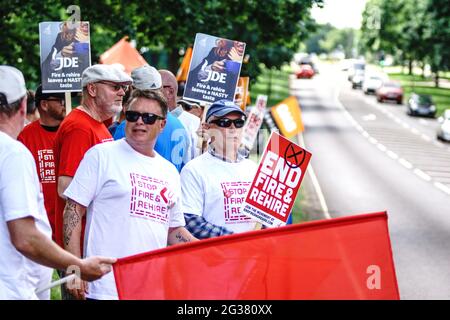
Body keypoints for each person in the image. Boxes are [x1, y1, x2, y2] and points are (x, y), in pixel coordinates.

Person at [63, 89, 197, 300]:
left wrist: (209, 252)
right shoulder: (101, 155)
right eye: (133, 115)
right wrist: (74, 266)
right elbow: (72, 210)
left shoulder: (170, 171)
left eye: (149, 117)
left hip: (150, 289)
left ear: (162, 125)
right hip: (104, 287)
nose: (139, 122)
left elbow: (173, 230)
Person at [0, 65, 115, 300]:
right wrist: (77, 266)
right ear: (24, 106)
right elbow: (25, 238)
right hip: (11, 287)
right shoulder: (12, 152)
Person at [53, 64, 131, 299]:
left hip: (93, 245)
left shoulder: (97, 126)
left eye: (124, 88)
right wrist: (75, 265)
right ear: (92, 89)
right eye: (115, 87)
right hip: (81, 249)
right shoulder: (79, 127)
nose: (122, 93)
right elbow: (66, 189)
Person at [180, 99, 258, 239]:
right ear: (207, 128)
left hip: (252, 257)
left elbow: (269, 218)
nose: (233, 128)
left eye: (239, 122)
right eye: (224, 123)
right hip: (213, 258)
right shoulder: (193, 170)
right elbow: (191, 222)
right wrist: (235, 240)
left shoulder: (254, 170)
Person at [113, 65, 190, 172]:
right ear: (160, 89)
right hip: (170, 184)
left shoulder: (130, 125)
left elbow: (114, 165)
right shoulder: (180, 125)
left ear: (132, 90)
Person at [18, 85, 66, 241]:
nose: (65, 103)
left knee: (74, 266)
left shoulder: (73, 131)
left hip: (69, 220)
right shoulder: (25, 135)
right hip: (40, 222)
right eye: (60, 100)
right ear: (44, 105)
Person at [160, 70, 200, 160]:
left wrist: (204, 143)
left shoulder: (195, 123)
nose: (150, 94)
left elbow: (198, 157)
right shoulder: (147, 120)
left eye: (155, 89)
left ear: (170, 92)